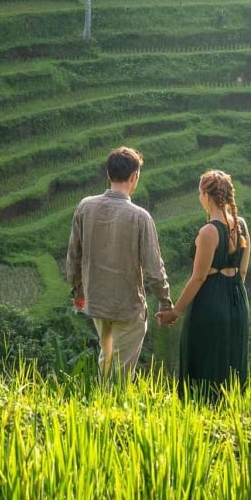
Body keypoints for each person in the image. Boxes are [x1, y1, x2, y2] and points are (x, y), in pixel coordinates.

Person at [66, 147, 172, 378]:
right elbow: (154, 270)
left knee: (106, 361)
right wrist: (165, 302)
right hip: (127, 307)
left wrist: (77, 290)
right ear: (134, 176)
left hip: (97, 303)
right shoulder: (139, 217)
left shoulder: (85, 207)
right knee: (121, 374)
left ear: (109, 174)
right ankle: (114, 410)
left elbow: (74, 255)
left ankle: (101, 407)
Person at [157, 170, 250, 396]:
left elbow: (198, 277)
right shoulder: (241, 226)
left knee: (204, 362)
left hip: (210, 303)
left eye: (200, 193)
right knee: (231, 362)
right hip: (238, 301)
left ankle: (202, 414)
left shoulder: (209, 231)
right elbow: (243, 270)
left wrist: (175, 311)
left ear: (207, 196)